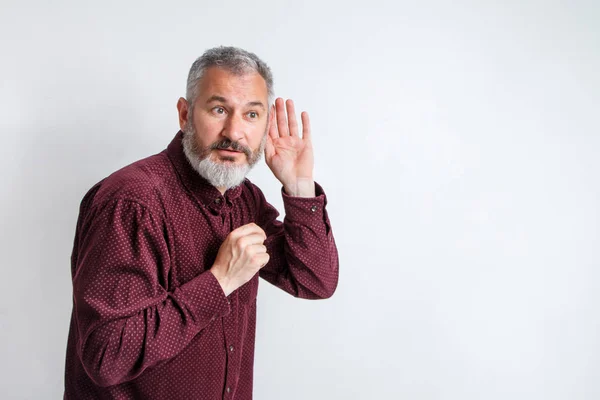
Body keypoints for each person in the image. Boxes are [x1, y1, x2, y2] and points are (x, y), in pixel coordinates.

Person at [63, 46, 339, 399]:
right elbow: (106, 356)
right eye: (219, 109)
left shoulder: (245, 199)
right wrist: (219, 281)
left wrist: (299, 187)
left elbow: (314, 281)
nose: (235, 132)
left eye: (252, 115)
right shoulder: (131, 202)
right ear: (184, 114)